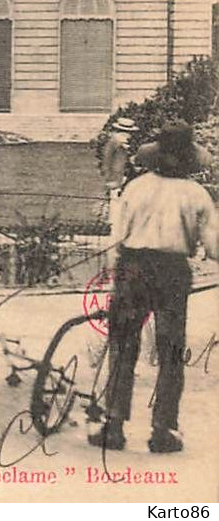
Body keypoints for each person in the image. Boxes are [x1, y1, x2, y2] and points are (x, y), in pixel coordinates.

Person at [90, 122, 218, 454]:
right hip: (172, 273)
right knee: (171, 352)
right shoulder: (197, 195)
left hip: (133, 268)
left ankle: (113, 425)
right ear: (189, 159)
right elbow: (214, 246)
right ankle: (163, 430)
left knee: (123, 345)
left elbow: (117, 235)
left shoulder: (135, 188)